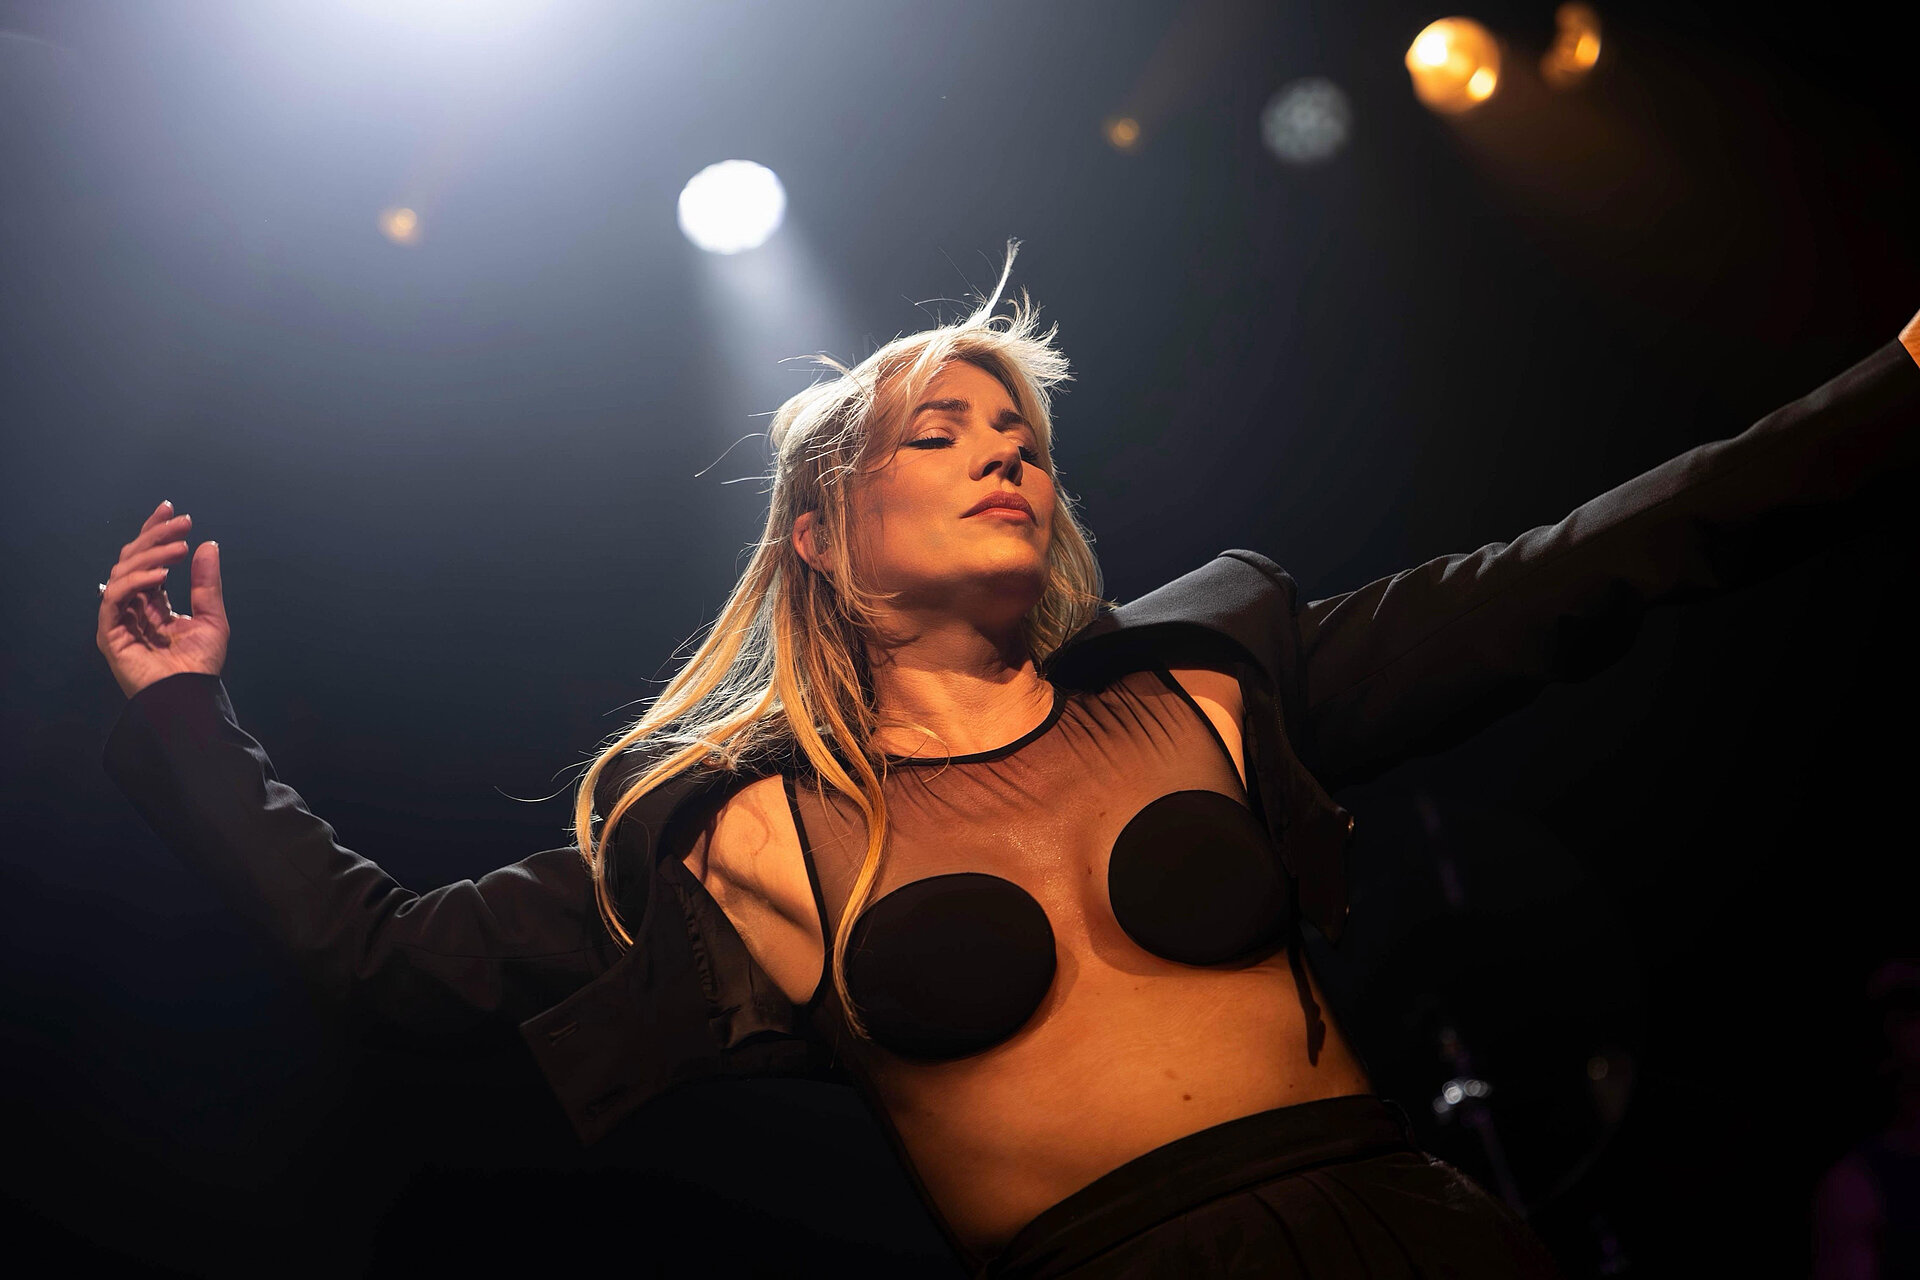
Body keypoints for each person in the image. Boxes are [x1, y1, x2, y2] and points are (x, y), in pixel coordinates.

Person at [95, 245, 1920, 1277]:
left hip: (1407, 1238)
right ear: (821, 532)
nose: (1005, 454)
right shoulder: (747, 835)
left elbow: (1594, 565)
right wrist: (188, 712)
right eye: (942, 431)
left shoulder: (1213, 679)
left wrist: (1896, 383)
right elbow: (390, 960)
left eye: (1025, 437)